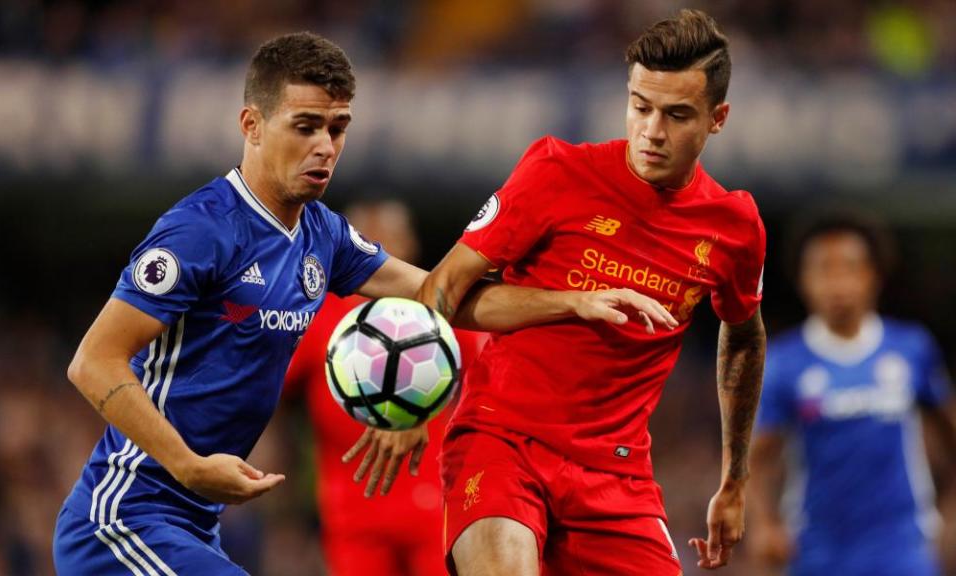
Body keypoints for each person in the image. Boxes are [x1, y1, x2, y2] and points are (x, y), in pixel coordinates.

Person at [52, 32, 673, 575]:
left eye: (337, 127)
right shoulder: (201, 231)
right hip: (125, 514)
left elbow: (448, 296)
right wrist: (186, 465)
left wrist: (572, 302)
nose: (326, 145)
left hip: (192, 520)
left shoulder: (322, 234)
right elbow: (93, 362)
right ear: (251, 125)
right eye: (306, 127)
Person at [348, 9, 766, 575]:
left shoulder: (733, 226)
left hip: (617, 476)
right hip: (501, 440)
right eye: (640, 106)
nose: (652, 131)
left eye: (677, 115)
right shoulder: (556, 171)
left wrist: (734, 480)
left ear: (718, 118)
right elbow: (445, 285)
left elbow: (742, 336)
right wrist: (414, 404)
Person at [283, 199, 487, 576]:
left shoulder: (447, 315)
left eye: (390, 240)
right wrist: (284, 511)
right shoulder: (317, 318)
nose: (379, 251)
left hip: (438, 507)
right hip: (352, 515)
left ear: (410, 245)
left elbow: (492, 394)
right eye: (367, 241)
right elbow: (269, 400)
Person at [749, 212, 956, 576]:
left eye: (849, 267)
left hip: (901, 546)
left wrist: (951, 511)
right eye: (823, 270)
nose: (837, 283)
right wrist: (764, 523)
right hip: (817, 549)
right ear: (803, 280)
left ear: (873, 275)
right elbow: (756, 457)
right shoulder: (786, 362)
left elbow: (949, 432)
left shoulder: (911, 349)